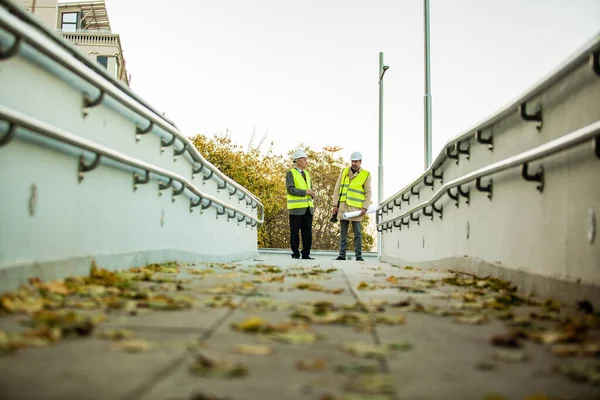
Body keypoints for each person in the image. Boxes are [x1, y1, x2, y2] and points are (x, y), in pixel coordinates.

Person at [331, 151, 371, 262]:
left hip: (356, 209)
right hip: (343, 207)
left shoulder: (366, 174)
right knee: (343, 233)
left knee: (357, 233)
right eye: (353, 161)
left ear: (360, 162)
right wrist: (335, 204)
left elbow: (368, 192)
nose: (354, 163)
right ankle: (341, 255)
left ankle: (358, 255)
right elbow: (337, 188)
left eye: (356, 161)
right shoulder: (344, 172)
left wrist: (365, 207)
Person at [286, 149, 316, 259]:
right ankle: (295, 253)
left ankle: (306, 254)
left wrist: (312, 193)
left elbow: (309, 189)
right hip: (296, 208)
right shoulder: (291, 173)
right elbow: (290, 189)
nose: (306, 161)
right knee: (295, 232)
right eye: (304, 159)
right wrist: (305, 192)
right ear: (297, 161)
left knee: (307, 232)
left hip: (308, 208)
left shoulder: (307, 174)